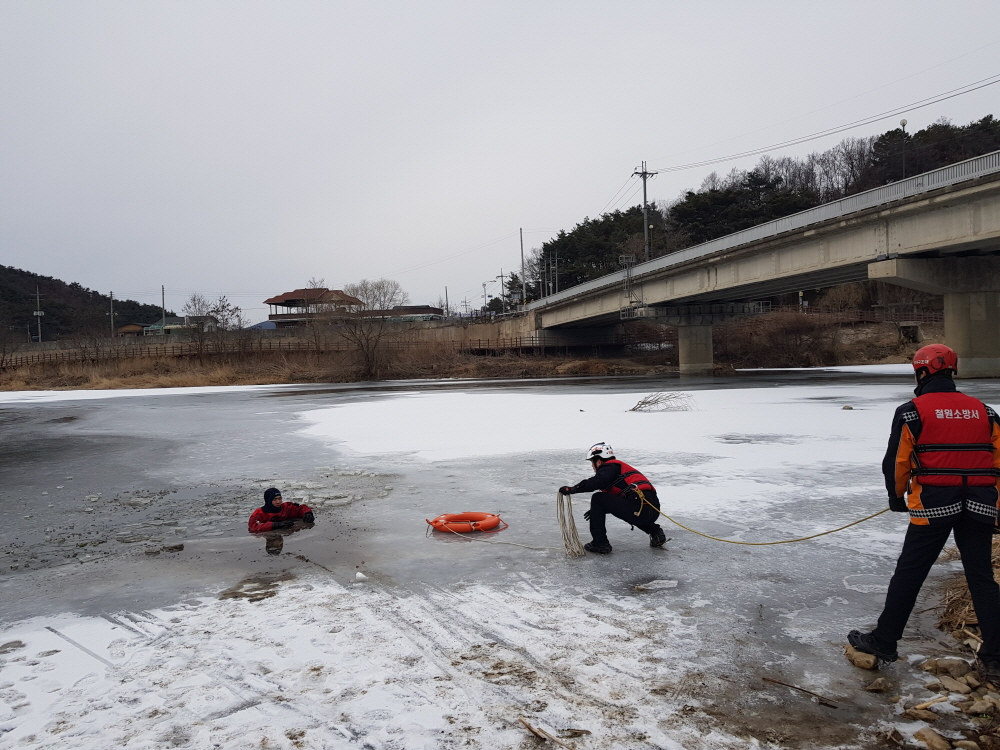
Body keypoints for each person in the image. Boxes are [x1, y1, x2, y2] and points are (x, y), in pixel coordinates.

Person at [848, 344, 1000, 683]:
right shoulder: (985, 411)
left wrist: (896, 496)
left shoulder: (912, 411)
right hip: (979, 505)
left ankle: (884, 641)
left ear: (922, 372)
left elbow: (897, 462)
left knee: (910, 573)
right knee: (981, 578)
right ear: (951, 372)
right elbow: (998, 461)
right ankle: (995, 657)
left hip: (934, 505)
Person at [559, 442, 667, 554]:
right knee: (630, 509)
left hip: (637, 507)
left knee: (597, 498)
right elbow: (618, 501)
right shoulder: (617, 469)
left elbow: (597, 482)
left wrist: (572, 489)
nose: (592, 466)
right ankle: (655, 532)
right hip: (653, 510)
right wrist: (597, 511)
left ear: (599, 461)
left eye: (592, 462)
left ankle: (600, 543)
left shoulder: (609, 467)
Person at [248, 488, 315, 533]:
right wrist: (275, 525)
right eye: (275, 499)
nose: (278, 502)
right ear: (268, 500)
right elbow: (253, 526)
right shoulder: (260, 513)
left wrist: (308, 513)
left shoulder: (285, 508)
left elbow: (300, 509)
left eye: (280, 498)